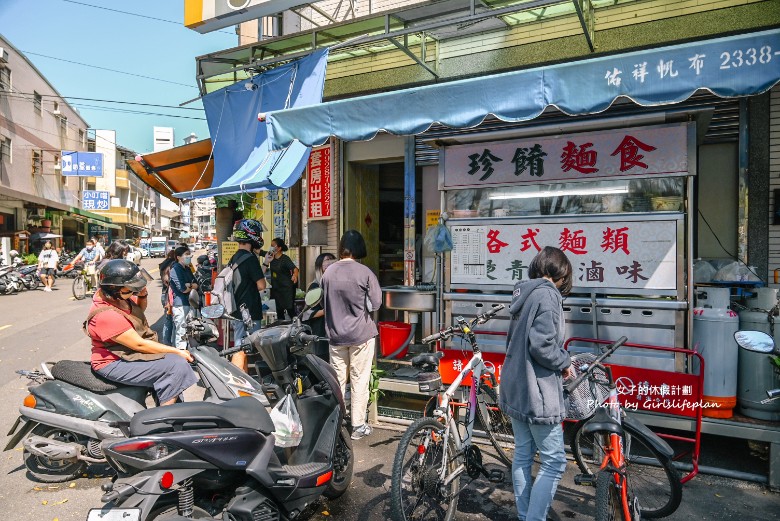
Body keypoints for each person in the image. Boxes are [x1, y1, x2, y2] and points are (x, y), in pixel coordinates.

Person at [499, 246, 573, 521]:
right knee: (554, 461)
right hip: (537, 389)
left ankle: (525, 515)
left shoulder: (524, 292)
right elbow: (542, 346)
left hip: (515, 384)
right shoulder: (547, 295)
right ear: (561, 273)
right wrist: (565, 362)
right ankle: (534, 518)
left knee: (522, 454)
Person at [86, 259, 196, 406]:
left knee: (173, 362)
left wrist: (142, 295)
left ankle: (176, 412)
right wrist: (177, 351)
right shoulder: (106, 315)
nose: (133, 292)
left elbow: (137, 312)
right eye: (130, 289)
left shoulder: (119, 297)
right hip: (112, 363)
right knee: (176, 366)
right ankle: (163, 418)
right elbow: (139, 344)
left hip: (128, 355)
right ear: (113, 287)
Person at [322, 230, 382, 440]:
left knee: (337, 381)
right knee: (359, 379)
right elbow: (376, 304)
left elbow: (323, 302)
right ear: (360, 249)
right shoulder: (365, 273)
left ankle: (337, 422)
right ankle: (357, 426)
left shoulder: (328, 272)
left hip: (336, 336)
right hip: (361, 336)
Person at [228, 219, 268, 372]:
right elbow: (261, 285)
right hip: (248, 311)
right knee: (242, 347)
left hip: (237, 308)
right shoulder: (250, 259)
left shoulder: (234, 257)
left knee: (241, 345)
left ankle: (242, 379)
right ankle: (236, 380)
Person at [303, 252, 336, 362]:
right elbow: (307, 314)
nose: (329, 264)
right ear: (319, 268)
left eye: (331, 261)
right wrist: (328, 310)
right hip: (320, 331)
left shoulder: (336, 283)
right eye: (326, 263)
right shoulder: (316, 286)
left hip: (335, 331)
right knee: (323, 362)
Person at [168, 246, 198, 350]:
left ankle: (188, 353)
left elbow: (196, 284)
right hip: (180, 304)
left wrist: (188, 285)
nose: (189, 257)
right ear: (178, 257)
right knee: (181, 331)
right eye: (186, 255)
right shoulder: (175, 269)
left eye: (189, 254)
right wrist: (191, 285)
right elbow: (182, 289)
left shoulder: (188, 268)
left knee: (190, 331)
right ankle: (181, 354)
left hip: (189, 303)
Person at [264, 238, 299, 322]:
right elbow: (259, 251)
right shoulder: (270, 256)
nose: (271, 247)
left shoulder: (285, 259)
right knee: (279, 310)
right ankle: (281, 329)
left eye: (273, 246)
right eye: (271, 245)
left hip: (287, 289)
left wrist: (295, 276)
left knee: (290, 309)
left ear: (279, 248)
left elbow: (295, 269)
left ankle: (298, 325)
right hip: (277, 288)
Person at [158, 249, 178, 346]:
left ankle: (166, 342)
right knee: (174, 321)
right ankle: (173, 344)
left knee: (168, 319)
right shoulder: (172, 265)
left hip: (164, 294)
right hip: (169, 297)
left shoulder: (163, 264)